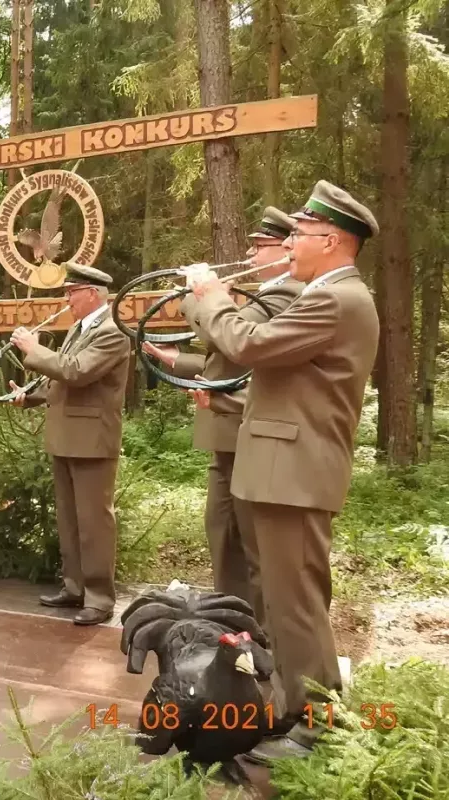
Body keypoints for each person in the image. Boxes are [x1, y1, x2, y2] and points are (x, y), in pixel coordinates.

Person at [181, 181, 380, 761]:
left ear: (333, 240)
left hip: (294, 474)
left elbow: (248, 344)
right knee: (285, 599)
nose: (290, 243)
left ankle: (316, 725)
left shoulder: (336, 299)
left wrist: (209, 296)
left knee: (296, 604)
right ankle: (295, 708)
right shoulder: (328, 294)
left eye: (302, 234)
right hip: (283, 471)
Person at [141, 207, 303, 627]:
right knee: (224, 536)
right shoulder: (265, 295)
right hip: (232, 432)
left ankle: (260, 635)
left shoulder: (286, 294)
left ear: (285, 249)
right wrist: (178, 360)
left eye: (260, 246)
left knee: (252, 548)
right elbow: (225, 360)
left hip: (251, 432)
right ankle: (233, 626)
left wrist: (198, 299)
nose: (250, 255)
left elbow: (231, 341)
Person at [7, 263, 130, 626]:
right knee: (70, 520)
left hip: (92, 440)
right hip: (66, 437)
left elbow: (76, 371)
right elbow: (62, 380)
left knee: (94, 523)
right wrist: (30, 396)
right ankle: (75, 587)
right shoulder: (79, 328)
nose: (67, 299)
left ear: (92, 293)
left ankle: (99, 598)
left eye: (71, 292)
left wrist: (34, 349)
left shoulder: (112, 332)